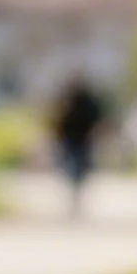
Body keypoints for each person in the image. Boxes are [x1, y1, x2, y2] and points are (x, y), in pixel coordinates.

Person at [51, 77, 107, 217]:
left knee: (78, 170)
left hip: (81, 140)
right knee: (73, 170)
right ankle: (75, 196)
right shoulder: (67, 100)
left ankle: (76, 197)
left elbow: (96, 119)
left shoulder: (84, 102)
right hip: (72, 140)